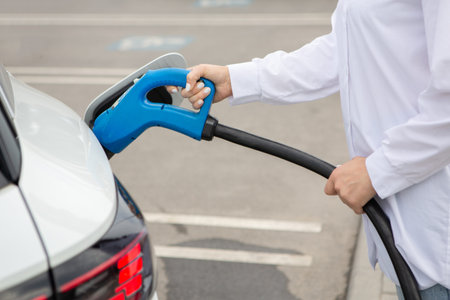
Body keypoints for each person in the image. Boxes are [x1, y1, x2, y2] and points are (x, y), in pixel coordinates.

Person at [169, 0, 450, 298]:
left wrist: (378, 170)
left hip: (434, 228)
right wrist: (236, 79)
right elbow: (343, 49)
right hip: (407, 227)